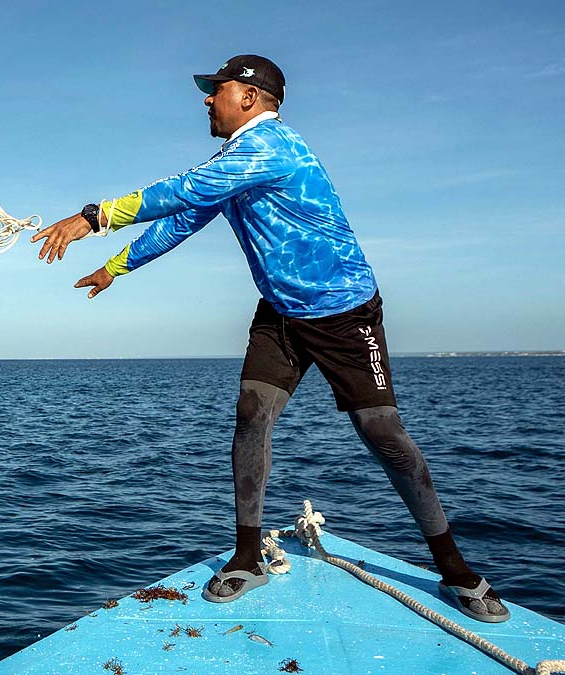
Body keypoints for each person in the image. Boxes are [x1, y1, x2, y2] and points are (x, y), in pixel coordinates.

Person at [30, 54, 509, 622]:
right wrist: (117, 267)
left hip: (342, 313)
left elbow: (184, 190)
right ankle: (247, 556)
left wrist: (92, 217)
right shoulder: (233, 161)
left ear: (250, 97)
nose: (207, 99)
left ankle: (456, 570)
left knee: (383, 433)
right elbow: (184, 216)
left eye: (216, 89)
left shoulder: (271, 147)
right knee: (251, 417)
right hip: (279, 314)